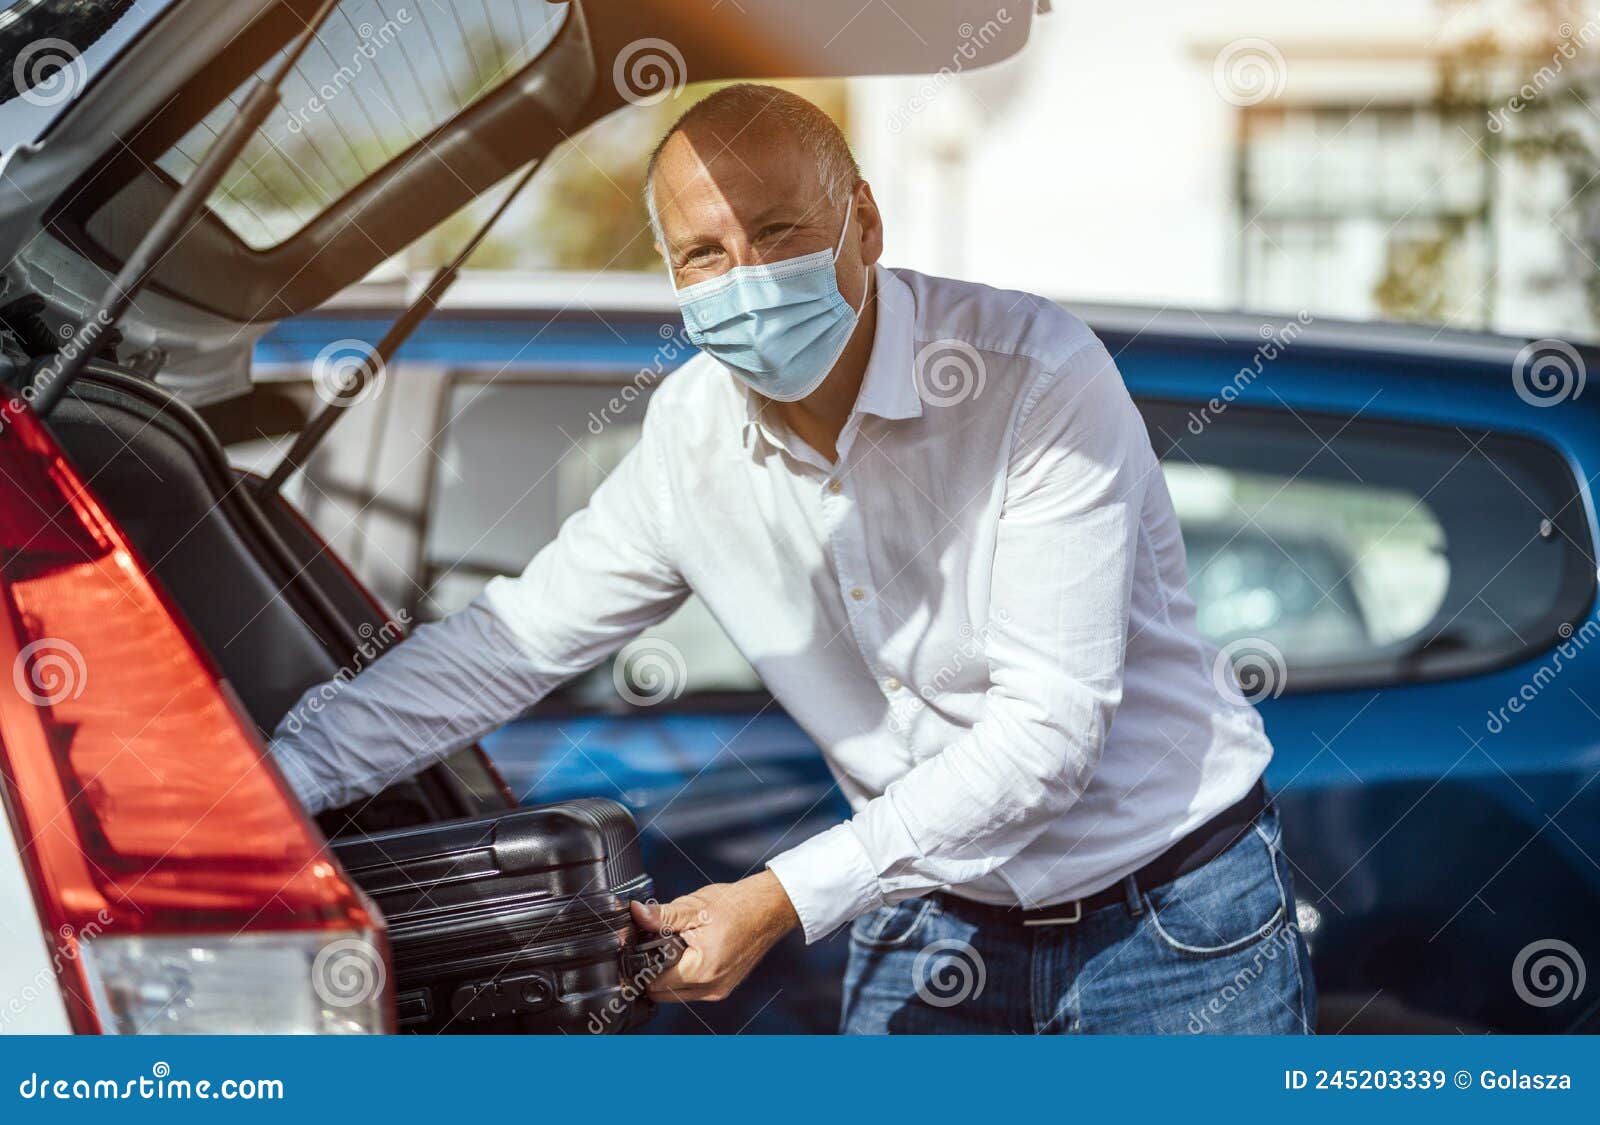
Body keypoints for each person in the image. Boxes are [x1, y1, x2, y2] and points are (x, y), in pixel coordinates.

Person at [271, 83, 1316, 1035]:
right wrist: (272, 780)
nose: (747, 279)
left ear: (863, 220)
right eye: (705, 254)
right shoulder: (689, 438)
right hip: (931, 918)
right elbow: (505, 647)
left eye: (777, 233)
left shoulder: (1030, 378)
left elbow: (1047, 733)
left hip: (1170, 920)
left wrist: (775, 899)